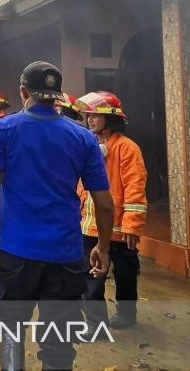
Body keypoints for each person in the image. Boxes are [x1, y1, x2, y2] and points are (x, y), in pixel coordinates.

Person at [0, 61, 114, 371]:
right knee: (59, 343)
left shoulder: (4, 129)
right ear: (57, 96)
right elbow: (104, 203)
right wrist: (103, 246)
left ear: (23, 93)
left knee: (11, 331)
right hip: (66, 255)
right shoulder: (84, 138)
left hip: (17, 254)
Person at [77, 91, 147, 330]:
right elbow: (81, 186)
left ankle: (127, 315)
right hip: (91, 227)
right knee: (92, 276)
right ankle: (97, 325)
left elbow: (135, 188)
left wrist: (132, 224)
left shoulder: (127, 149)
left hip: (119, 228)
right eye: (89, 115)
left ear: (112, 118)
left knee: (125, 275)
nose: (91, 120)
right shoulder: (90, 145)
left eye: (97, 115)